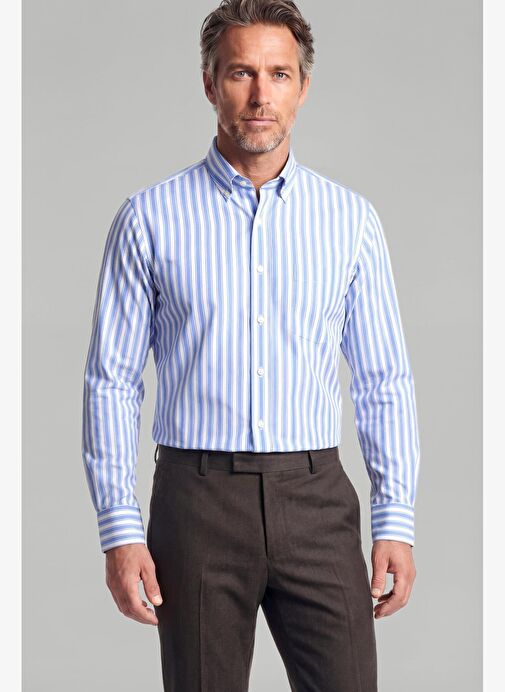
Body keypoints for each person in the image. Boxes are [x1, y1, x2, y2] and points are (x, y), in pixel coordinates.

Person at [81, 1, 420, 690]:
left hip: (317, 500)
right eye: (241, 73)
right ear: (210, 83)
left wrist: (395, 518)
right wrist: (119, 528)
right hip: (196, 505)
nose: (261, 95)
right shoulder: (148, 219)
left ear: (303, 86)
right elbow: (111, 382)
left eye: (279, 74)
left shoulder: (350, 222)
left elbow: (382, 378)